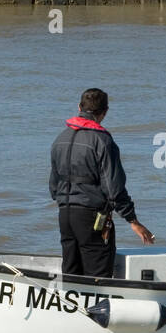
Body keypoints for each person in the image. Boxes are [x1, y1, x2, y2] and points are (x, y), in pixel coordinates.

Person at [49, 89, 154, 277]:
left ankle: (71, 305)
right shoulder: (103, 141)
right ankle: (95, 307)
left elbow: (53, 186)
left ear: (79, 107)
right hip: (92, 218)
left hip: (65, 215)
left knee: (71, 273)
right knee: (97, 276)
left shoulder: (60, 139)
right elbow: (114, 188)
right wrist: (132, 220)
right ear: (105, 112)